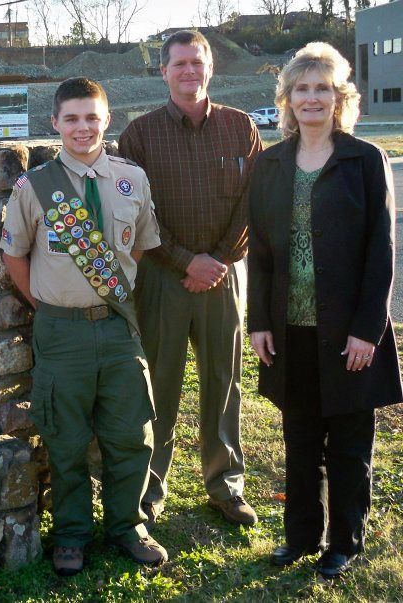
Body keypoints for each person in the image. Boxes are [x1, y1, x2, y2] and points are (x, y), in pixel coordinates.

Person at [247, 42, 401, 579]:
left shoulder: (365, 159)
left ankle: (344, 541)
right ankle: (301, 537)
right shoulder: (268, 164)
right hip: (290, 329)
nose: (312, 98)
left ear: (340, 98)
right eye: (302, 88)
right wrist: (259, 321)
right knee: (301, 438)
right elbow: (261, 253)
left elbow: (381, 252)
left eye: (323, 88)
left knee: (350, 442)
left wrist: (368, 330)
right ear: (287, 99)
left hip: (348, 332)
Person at [0, 77, 165, 576]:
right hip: (61, 332)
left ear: (107, 120)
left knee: (130, 433)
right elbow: (14, 255)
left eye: (91, 117)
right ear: (55, 123)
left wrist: (104, 295)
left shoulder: (131, 179)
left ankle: (127, 525)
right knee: (66, 437)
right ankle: (71, 533)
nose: (82, 127)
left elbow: (137, 247)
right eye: (71, 118)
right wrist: (51, 303)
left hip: (117, 327)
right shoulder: (35, 187)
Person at [118, 30, 262, 527]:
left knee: (223, 381)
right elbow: (135, 214)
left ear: (210, 68)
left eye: (197, 63)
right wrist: (185, 262)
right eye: (179, 64)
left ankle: (225, 485)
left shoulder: (241, 127)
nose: (189, 72)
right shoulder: (139, 135)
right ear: (163, 72)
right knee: (159, 383)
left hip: (223, 277)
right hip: (162, 278)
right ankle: (150, 486)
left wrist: (217, 260)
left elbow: (252, 204)